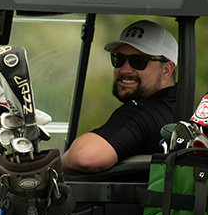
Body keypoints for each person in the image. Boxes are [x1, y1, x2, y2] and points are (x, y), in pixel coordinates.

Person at [62, 20, 177, 174]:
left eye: (138, 61)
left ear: (166, 70)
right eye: (119, 59)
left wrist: (54, 163)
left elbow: (86, 157)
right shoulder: (180, 105)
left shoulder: (140, 112)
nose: (125, 69)